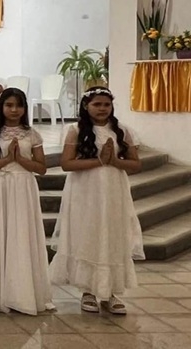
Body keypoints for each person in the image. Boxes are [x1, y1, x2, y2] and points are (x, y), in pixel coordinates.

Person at [49, 87, 143, 315]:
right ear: (86, 106)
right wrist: (99, 161)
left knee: (112, 234)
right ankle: (88, 291)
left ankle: (110, 292)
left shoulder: (122, 131)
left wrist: (115, 162)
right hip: (85, 190)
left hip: (113, 190)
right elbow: (66, 164)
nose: (102, 109)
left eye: (106, 105)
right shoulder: (75, 130)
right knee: (88, 234)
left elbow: (135, 164)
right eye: (97, 104)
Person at [0, 89, 54, 315]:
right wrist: (7, 159)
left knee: (21, 233)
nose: (14, 110)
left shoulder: (32, 134)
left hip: (23, 186)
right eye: (9, 105)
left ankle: (22, 291)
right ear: (1, 107)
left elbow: (41, 168)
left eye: (19, 106)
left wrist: (19, 158)